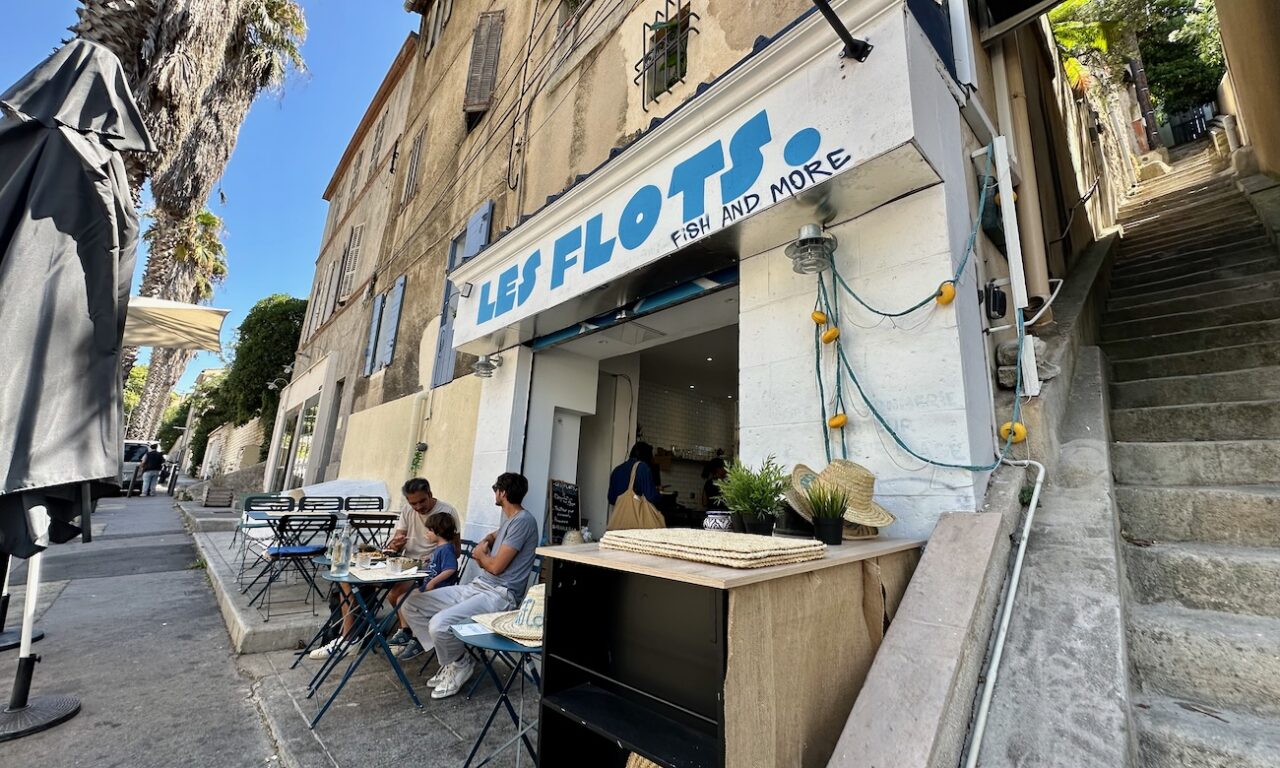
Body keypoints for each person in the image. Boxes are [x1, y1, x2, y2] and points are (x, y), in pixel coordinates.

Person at [398, 472, 540, 700]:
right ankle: (452, 659)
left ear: (502, 492)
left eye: (496, 489)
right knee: (410, 604)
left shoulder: (523, 521)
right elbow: (495, 537)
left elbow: (495, 567)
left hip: (500, 595)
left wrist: (479, 554)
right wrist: (487, 541)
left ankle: (460, 663)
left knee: (439, 624)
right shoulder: (510, 521)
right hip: (479, 586)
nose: (494, 493)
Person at [309, 478, 459, 660]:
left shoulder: (447, 511)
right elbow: (394, 544)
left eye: (422, 501)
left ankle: (406, 631)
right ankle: (349, 638)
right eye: (413, 503)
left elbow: (456, 550)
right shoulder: (407, 511)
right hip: (402, 564)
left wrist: (436, 553)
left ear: (430, 494)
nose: (418, 507)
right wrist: (395, 544)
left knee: (395, 593)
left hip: (425, 570)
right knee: (346, 580)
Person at [608, 442, 659, 507]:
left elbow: (611, 499)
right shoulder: (643, 468)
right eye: (650, 456)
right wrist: (658, 494)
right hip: (636, 515)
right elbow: (651, 497)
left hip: (619, 515)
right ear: (646, 456)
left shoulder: (616, 470)